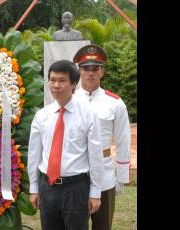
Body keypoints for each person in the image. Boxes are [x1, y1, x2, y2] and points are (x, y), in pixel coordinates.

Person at [28, 60, 104, 230]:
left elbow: (96, 156)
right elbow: (34, 155)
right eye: (52, 80)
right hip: (47, 187)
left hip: (76, 189)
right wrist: (34, 188)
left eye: (62, 80)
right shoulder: (42, 116)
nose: (56, 85)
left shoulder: (88, 115)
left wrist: (95, 193)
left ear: (73, 84)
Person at [73, 44, 131, 230]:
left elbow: (123, 140)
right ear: (79, 71)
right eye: (85, 68)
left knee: (103, 226)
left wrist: (121, 177)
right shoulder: (69, 100)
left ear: (102, 72)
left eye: (95, 69)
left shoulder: (114, 103)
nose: (90, 73)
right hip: (75, 173)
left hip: (105, 173)